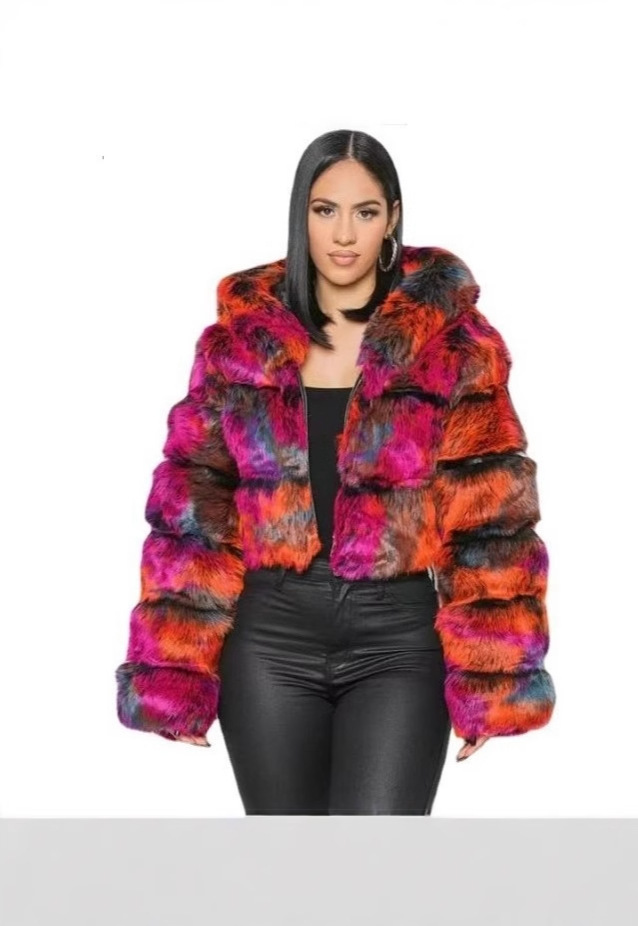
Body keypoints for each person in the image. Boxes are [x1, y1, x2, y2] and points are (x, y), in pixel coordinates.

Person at [115, 129, 556, 814]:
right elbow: (193, 505)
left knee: (376, 867)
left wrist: (495, 677)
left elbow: (491, 516)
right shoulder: (243, 343)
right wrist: (173, 669)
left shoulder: (452, 345)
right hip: (269, 637)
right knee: (291, 867)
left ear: (392, 218)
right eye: (325, 211)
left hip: (399, 639)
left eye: (365, 211)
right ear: (302, 216)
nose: (344, 234)